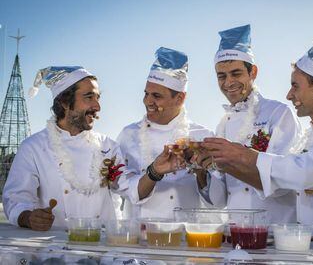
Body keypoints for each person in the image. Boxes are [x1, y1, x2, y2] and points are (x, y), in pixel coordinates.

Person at [202, 21, 313, 229]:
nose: (289, 95)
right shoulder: (309, 137)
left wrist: (239, 155)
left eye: (295, 86)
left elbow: (306, 173)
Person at [2, 66, 180, 230]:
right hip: (54, 248)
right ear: (64, 102)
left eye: (98, 97)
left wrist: (155, 171)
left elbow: (131, 190)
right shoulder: (33, 148)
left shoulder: (107, 147)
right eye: (89, 97)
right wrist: (28, 217)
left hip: (102, 249)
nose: (97, 106)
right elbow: (16, 199)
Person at [194, 25, 301, 223]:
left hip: (274, 230)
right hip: (235, 232)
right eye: (222, 76)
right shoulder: (223, 124)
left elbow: (283, 183)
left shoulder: (279, 113)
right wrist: (201, 168)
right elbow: (219, 201)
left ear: (253, 72)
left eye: (236, 74)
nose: (228, 83)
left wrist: (228, 160)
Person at [117, 47, 216, 219]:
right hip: (141, 237)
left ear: (180, 98)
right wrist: (154, 172)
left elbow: (216, 201)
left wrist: (200, 170)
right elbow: (125, 191)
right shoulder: (128, 134)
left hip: (187, 237)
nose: (148, 101)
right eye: (146, 93)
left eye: (156, 96)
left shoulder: (203, 136)